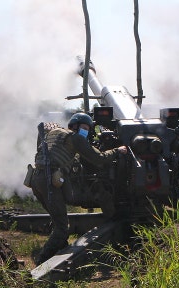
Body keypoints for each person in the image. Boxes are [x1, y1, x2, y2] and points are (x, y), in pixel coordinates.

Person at [30, 112, 127, 265]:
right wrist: (117, 151)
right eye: (83, 127)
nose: (85, 131)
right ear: (74, 126)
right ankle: (42, 263)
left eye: (87, 129)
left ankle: (61, 248)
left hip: (37, 179)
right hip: (49, 181)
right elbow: (99, 158)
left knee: (58, 220)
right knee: (62, 227)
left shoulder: (55, 133)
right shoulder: (75, 138)